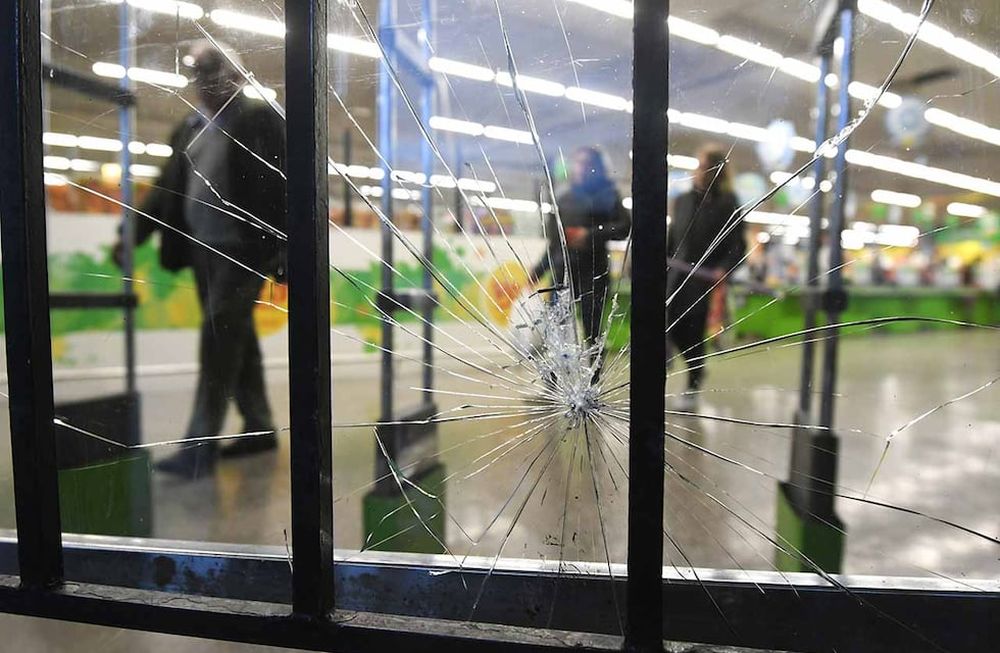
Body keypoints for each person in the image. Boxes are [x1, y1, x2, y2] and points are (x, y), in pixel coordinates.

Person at [114, 41, 287, 479]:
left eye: (216, 76)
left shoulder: (259, 119)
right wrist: (132, 236)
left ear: (236, 76)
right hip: (200, 252)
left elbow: (290, 187)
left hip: (244, 251)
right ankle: (259, 426)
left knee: (217, 338)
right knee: (234, 338)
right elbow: (165, 192)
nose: (206, 87)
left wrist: (289, 249)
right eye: (199, 78)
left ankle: (199, 446)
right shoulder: (189, 128)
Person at [666, 145, 746, 411]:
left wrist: (724, 268)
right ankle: (687, 366)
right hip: (675, 278)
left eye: (704, 166)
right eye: (698, 165)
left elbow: (737, 246)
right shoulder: (682, 200)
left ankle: (694, 381)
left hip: (704, 282)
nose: (698, 171)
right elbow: (672, 238)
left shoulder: (728, 203)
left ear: (717, 171)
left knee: (694, 333)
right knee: (670, 328)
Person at [532, 147, 631, 352]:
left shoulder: (608, 196)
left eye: (587, 163)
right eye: (578, 162)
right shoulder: (565, 198)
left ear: (598, 167)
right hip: (562, 274)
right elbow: (555, 243)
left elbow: (624, 227)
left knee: (592, 332)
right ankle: (553, 382)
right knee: (557, 331)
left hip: (593, 274)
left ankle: (594, 381)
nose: (582, 168)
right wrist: (538, 271)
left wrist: (589, 235)